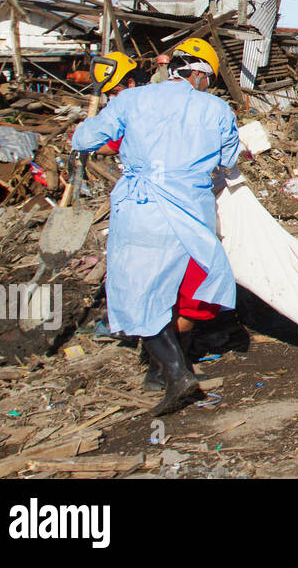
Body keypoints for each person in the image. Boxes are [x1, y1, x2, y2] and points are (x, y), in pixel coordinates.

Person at [71, 38, 242, 416]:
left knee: (139, 294)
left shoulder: (130, 101)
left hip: (141, 210)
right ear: (197, 74)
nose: (205, 86)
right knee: (183, 291)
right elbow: (230, 161)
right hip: (191, 211)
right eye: (206, 79)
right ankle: (172, 371)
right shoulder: (216, 109)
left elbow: (85, 139)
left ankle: (172, 371)